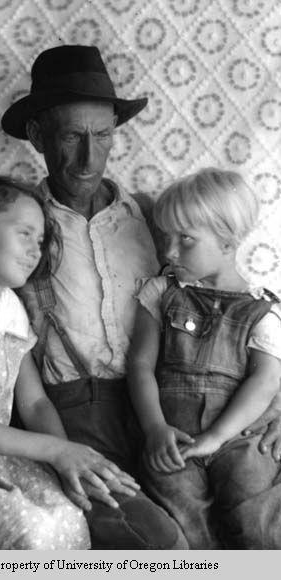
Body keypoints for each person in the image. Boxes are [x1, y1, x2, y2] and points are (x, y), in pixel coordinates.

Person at [1, 44, 189, 549]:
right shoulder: (17, 226)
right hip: (71, 413)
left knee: (215, 527)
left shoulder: (155, 218)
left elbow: (225, 306)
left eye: (102, 136)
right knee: (157, 543)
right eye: (72, 136)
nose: (90, 157)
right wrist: (58, 451)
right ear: (38, 137)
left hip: (162, 404)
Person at [0, 174, 139, 550]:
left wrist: (68, 462)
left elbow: (34, 402)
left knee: (65, 513)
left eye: (41, 241)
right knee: (32, 530)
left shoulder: (11, 308)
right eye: (24, 233)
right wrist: (57, 451)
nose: (35, 250)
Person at [127, 168, 281, 549]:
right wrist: (154, 429)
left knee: (254, 522)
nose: (169, 252)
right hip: (172, 437)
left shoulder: (262, 311)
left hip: (240, 438)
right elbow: (140, 365)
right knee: (183, 525)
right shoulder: (161, 292)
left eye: (186, 240)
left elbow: (265, 382)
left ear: (228, 243)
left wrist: (216, 437)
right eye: (167, 237)